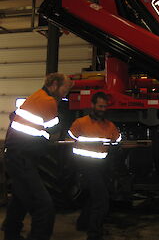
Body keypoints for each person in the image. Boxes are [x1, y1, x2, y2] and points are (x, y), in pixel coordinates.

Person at [3, 73, 73, 240]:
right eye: (65, 88)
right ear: (54, 84)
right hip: (22, 158)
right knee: (44, 207)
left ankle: (11, 234)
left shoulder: (35, 96)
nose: (66, 93)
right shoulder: (48, 101)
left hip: (15, 156)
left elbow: (13, 115)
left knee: (20, 200)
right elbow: (54, 129)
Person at [68, 91, 121, 240]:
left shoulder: (110, 126)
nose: (102, 109)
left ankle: (83, 223)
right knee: (101, 200)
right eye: (100, 106)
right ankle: (94, 234)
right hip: (85, 166)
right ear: (92, 105)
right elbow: (69, 141)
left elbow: (117, 141)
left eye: (105, 106)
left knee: (94, 197)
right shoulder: (80, 123)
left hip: (101, 166)